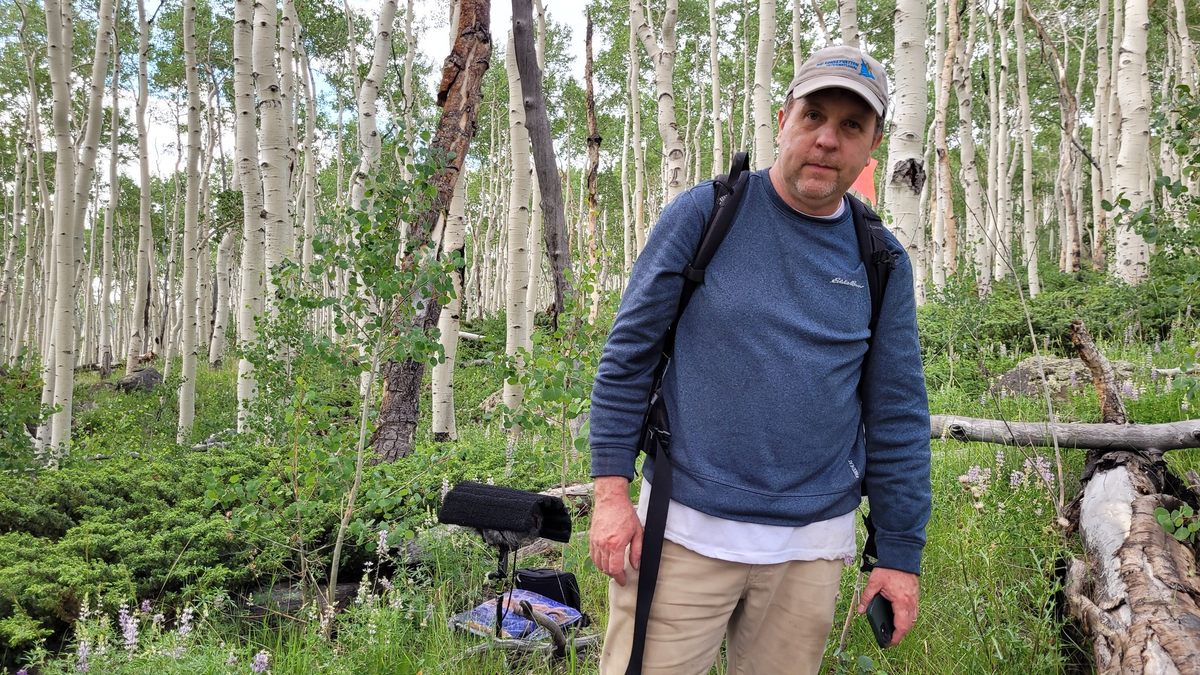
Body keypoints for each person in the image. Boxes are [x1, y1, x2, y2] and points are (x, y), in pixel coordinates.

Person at [587, 45, 931, 674]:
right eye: (813, 117)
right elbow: (627, 357)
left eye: (850, 126)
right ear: (783, 120)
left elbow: (899, 416)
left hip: (811, 552)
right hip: (681, 533)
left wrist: (900, 555)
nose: (827, 140)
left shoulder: (880, 259)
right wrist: (610, 494)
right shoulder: (708, 213)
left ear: (871, 144)